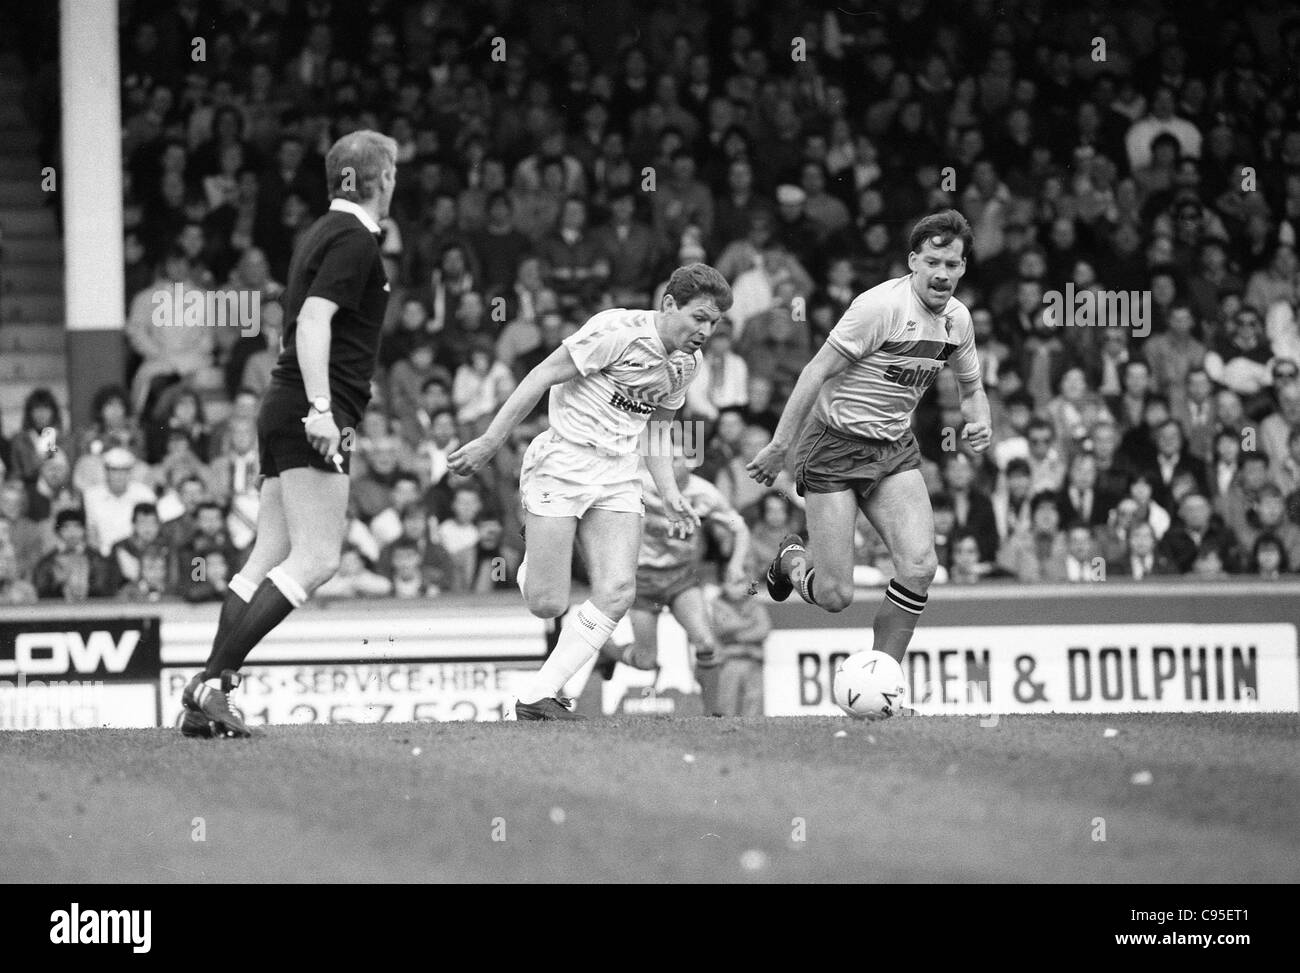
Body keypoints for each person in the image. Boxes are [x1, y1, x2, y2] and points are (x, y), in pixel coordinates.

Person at [180, 130, 398, 738]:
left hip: (281, 404)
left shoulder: (318, 234)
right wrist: (324, 408)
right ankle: (211, 682)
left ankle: (207, 693)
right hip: (310, 407)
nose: (396, 183)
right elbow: (313, 321)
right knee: (318, 558)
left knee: (267, 555)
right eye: (394, 172)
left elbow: (299, 321)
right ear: (377, 177)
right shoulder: (354, 239)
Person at [448, 263, 732, 720]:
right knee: (547, 604)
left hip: (619, 473)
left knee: (619, 590)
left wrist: (669, 491)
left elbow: (658, 430)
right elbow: (541, 376)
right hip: (563, 461)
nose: (705, 330)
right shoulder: (615, 331)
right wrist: (489, 441)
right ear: (669, 305)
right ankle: (535, 561)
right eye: (698, 317)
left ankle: (536, 696)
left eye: (714, 323)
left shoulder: (686, 365)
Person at [747, 210, 991, 663]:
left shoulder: (958, 321)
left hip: (895, 448)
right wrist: (779, 446)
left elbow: (972, 388)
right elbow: (815, 370)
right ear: (913, 261)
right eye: (933, 262)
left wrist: (980, 420)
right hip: (835, 445)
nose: (942, 274)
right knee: (836, 594)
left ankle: (883, 675)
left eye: (952, 265)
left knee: (920, 567)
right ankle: (792, 561)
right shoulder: (880, 307)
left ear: (963, 268)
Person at [591, 453, 751, 716]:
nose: (670, 464)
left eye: (677, 458)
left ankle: (713, 716)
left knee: (706, 644)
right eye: (666, 458)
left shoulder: (704, 494)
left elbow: (739, 527)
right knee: (646, 661)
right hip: (642, 579)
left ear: (690, 462)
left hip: (681, 578)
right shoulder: (640, 482)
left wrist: (735, 564)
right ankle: (610, 651)